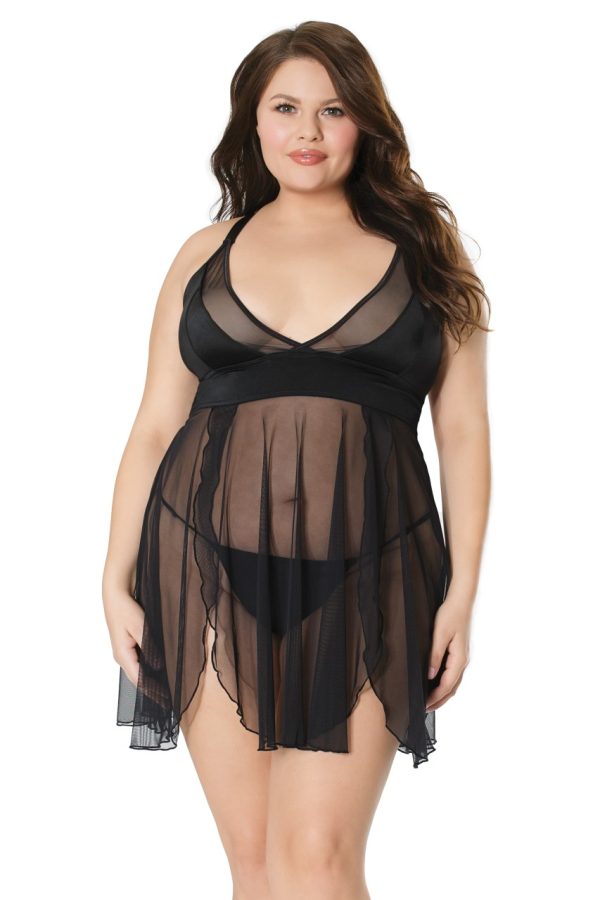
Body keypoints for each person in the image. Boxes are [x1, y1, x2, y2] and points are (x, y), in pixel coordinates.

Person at [103, 20, 491, 900]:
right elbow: (156, 424)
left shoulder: (428, 255)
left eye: (333, 110)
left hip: (371, 571)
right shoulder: (204, 254)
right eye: (285, 108)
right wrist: (114, 577)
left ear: (366, 123)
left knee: (316, 861)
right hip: (202, 566)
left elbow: (464, 432)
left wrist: (462, 593)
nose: (307, 132)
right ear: (253, 119)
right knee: (256, 867)